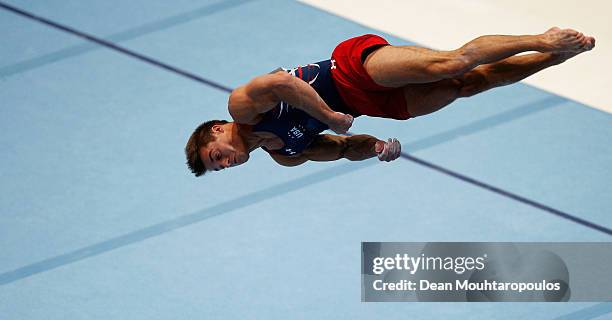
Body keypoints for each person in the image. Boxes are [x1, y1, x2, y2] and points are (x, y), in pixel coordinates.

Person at [185, 27, 594, 176]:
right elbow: (345, 148)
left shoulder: (241, 107)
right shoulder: (287, 155)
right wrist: (376, 148)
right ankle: (554, 57)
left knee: (447, 65)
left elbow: (280, 84)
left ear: (217, 131)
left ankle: (543, 39)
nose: (225, 163)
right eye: (218, 168)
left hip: (350, 70)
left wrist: (326, 114)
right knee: (466, 86)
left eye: (215, 155)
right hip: (369, 106)